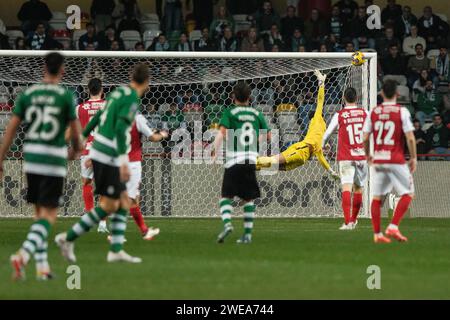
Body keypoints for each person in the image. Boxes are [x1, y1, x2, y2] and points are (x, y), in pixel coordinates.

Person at [55, 63, 150, 264]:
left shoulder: (118, 94)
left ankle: (113, 248)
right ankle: (70, 238)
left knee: (113, 203)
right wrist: (123, 161)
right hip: (109, 154)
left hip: (99, 151)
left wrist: (81, 139)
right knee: (119, 201)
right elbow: (120, 128)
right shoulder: (131, 98)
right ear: (147, 83)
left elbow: (97, 118)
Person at [0, 52, 82, 280]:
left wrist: (1, 158)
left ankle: (42, 268)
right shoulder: (65, 96)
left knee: (39, 214)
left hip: (32, 157)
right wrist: (76, 150)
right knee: (50, 215)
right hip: (53, 159)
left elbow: (11, 128)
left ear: (43, 67)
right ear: (63, 70)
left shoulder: (29, 94)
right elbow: (76, 134)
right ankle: (23, 255)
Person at [213, 81, 271, 244]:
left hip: (234, 161)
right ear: (249, 97)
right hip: (250, 160)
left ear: (233, 97)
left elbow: (221, 134)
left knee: (226, 196)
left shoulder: (230, 112)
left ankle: (228, 224)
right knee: (248, 199)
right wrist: (255, 144)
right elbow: (267, 135)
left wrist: (214, 152)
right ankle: (247, 235)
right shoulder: (256, 114)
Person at [256, 70, 338, 180]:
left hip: (301, 153)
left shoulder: (318, 125)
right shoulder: (319, 125)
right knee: (274, 165)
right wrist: (330, 171)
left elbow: (320, 101)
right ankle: (250, 165)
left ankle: (249, 163)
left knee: (273, 162)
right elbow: (322, 159)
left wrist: (321, 83)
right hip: (301, 156)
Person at [363, 80, 417, 243]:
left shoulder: (373, 112)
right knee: (408, 194)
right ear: (397, 94)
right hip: (396, 159)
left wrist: (368, 155)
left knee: (377, 199)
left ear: (381, 94)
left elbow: (365, 137)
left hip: (378, 159)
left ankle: (377, 234)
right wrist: (413, 157)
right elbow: (410, 138)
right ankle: (393, 226)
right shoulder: (402, 111)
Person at [322, 87, 368, 230]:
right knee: (359, 189)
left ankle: (348, 222)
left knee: (346, 188)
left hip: (346, 156)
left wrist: (324, 145)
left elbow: (327, 134)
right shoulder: (365, 113)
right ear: (357, 98)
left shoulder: (339, 115)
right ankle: (353, 220)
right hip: (361, 156)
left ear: (343, 98)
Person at [75, 78, 107, 232]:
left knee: (86, 183)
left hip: (87, 150)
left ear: (88, 90)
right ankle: (102, 224)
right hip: (104, 151)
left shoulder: (79, 108)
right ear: (102, 90)